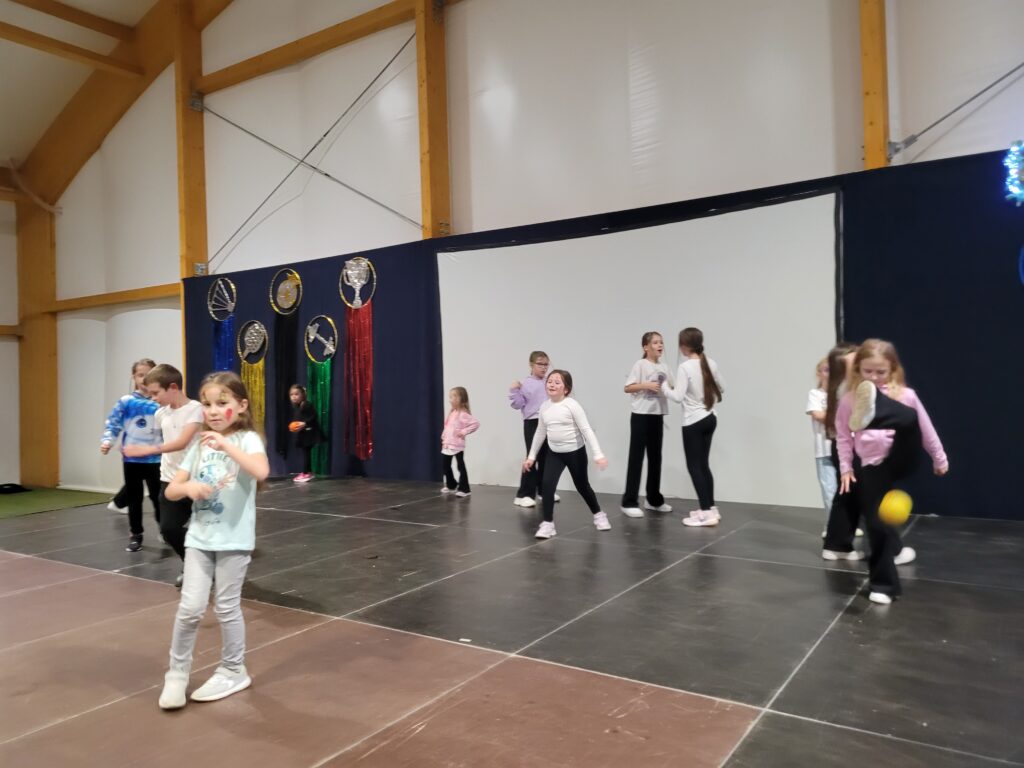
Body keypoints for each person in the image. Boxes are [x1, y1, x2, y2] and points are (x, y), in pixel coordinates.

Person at [158, 371, 269, 710]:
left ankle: (234, 669)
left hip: (234, 540)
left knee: (226, 606)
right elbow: (172, 490)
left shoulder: (247, 440)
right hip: (199, 538)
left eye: (222, 403)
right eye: (207, 404)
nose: (214, 411)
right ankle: (177, 673)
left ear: (242, 405)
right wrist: (188, 487)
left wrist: (226, 446)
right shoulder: (199, 445)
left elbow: (261, 472)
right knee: (190, 608)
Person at [835, 339, 948, 605]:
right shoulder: (849, 400)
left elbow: (926, 428)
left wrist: (939, 457)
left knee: (909, 417)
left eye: (881, 372)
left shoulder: (906, 395)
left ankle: (878, 410)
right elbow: (843, 437)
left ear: (893, 369)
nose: (874, 377)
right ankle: (883, 585)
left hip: (901, 456)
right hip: (873, 465)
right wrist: (846, 467)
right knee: (877, 524)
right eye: (868, 371)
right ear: (858, 370)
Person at [122, 364, 203, 585]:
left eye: (156, 393)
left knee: (204, 529)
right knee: (168, 529)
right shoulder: (161, 413)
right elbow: (165, 442)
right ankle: (192, 563)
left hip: (195, 479)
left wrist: (145, 450)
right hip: (170, 479)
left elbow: (182, 442)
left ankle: (203, 566)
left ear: (173, 387)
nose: (153, 398)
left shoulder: (195, 409)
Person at [523, 370, 609, 538]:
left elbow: (586, 430)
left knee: (582, 486)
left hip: (575, 453)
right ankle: (548, 524)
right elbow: (540, 432)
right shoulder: (544, 407)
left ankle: (599, 514)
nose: (552, 384)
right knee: (547, 486)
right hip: (554, 453)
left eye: (557, 382)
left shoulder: (572, 405)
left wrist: (598, 454)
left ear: (566, 389)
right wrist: (531, 457)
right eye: (550, 381)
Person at [661, 328, 724, 527]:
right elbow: (721, 387)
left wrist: (664, 387)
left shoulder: (685, 367)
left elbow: (677, 397)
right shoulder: (711, 362)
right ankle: (711, 508)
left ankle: (706, 513)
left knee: (694, 466)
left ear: (684, 346)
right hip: (710, 417)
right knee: (703, 465)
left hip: (693, 421)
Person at [100, 358, 161, 552]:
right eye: (140, 375)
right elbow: (113, 423)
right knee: (134, 498)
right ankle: (136, 534)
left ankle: (164, 529)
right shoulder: (126, 402)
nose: (144, 379)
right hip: (132, 459)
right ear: (134, 377)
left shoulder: (160, 403)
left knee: (158, 497)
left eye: (148, 375)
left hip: (156, 458)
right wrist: (108, 441)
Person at [620, 332, 672, 518]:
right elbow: (627, 387)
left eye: (661, 342)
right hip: (641, 416)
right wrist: (646, 385)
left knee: (656, 458)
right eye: (655, 342)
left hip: (657, 415)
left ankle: (654, 499)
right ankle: (629, 502)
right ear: (646, 347)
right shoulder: (640, 364)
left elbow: (671, 387)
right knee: (636, 458)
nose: (660, 345)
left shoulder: (665, 367)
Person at [509, 351, 557, 508]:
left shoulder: (549, 382)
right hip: (532, 422)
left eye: (546, 364)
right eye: (540, 364)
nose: (544, 367)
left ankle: (544, 491)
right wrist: (514, 390)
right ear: (531, 365)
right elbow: (517, 405)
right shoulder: (525, 383)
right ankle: (523, 494)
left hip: (548, 422)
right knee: (532, 456)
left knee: (547, 457)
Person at [806, 357, 837, 536]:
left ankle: (846, 524)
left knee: (846, 491)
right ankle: (832, 526)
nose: (830, 374)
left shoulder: (844, 395)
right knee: (829, 490)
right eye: (826, 370)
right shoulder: (815, 394)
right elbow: (817, 414)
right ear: (819, 373)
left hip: (845, 450)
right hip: (824, 450)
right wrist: (840, 416)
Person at [440, 387, 480, 497]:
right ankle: (451, 485)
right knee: (445, 466)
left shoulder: (463, 414)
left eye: (453, 397)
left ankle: (465, 489)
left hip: (457, 445)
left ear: (460, 398)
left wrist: (463, 432)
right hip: (447, 445)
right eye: (450, 397)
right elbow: (448, 427)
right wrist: (444, 436)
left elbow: (475, 424)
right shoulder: (452, 412)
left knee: (460, 466)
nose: (450, 399)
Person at [288, 384, 324, 483]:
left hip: (310, 433)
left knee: (306, 453)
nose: (294, 397)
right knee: (306, 452)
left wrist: (304, 423)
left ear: (302, 395)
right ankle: (308, 472)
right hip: (305, 434)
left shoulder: (307, 405)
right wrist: (294, 427)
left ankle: (305, 473)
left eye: (296, 394)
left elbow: (314, 416)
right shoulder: (297, 406)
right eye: (291, 395)